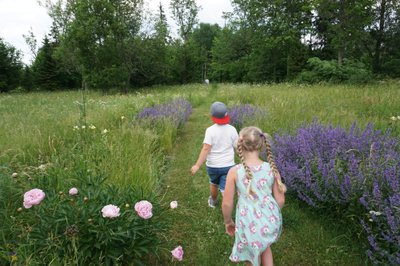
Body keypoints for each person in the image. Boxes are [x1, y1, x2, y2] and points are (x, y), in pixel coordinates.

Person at [222, 126, 286, 266]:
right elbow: (280, 199)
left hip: (247, 220)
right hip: (269, 218)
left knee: (251, 254)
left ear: (241, 144)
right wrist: (270, 214)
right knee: (264, 246)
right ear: (262, 145)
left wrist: (228, 221)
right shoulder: (272, 169)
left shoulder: (234, 172)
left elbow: (227, 203)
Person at [191, 101, 239, 208]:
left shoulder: (210, 131)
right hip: (228, 165)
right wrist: (243, 159)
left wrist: (197, 165)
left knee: (213, 183)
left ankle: (213, 201)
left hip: (212, 166)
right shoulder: (232, 129)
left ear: (212, 116)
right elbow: (237, 147)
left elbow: (206, 148)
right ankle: (228, 205)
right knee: (225, 187)